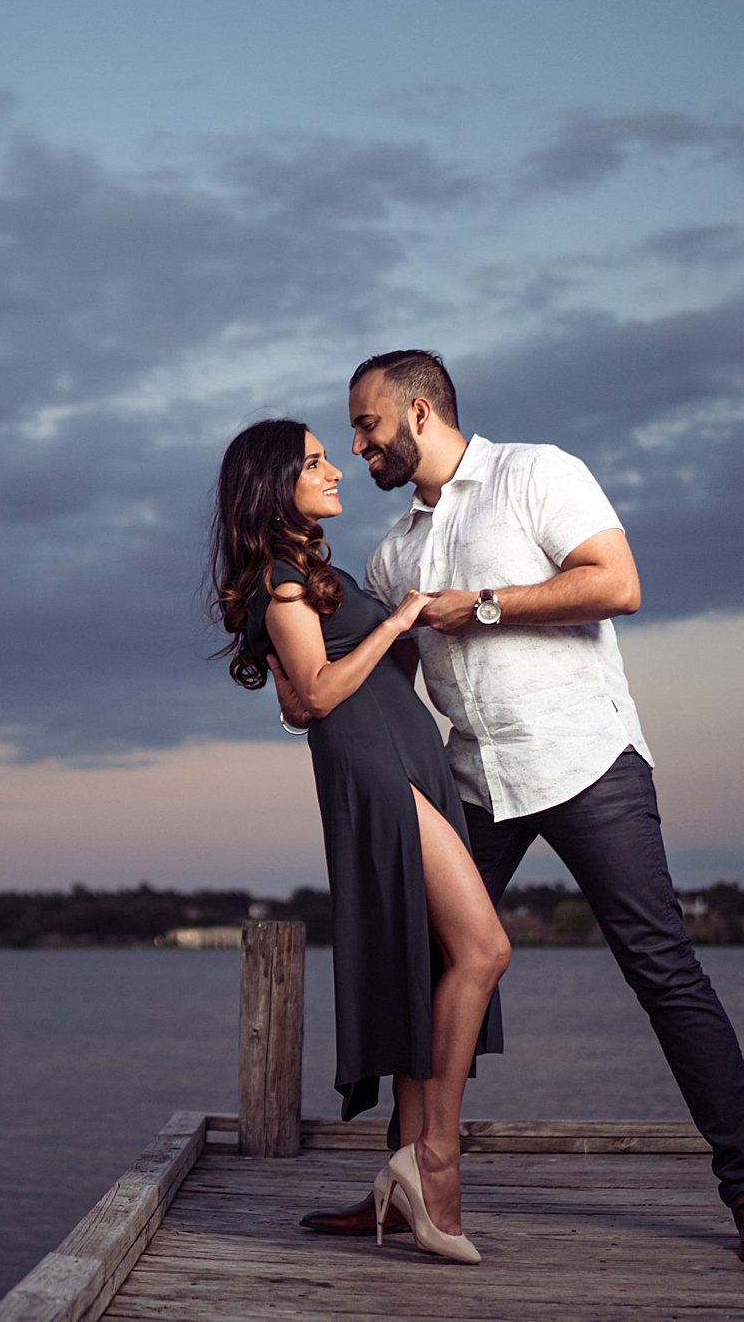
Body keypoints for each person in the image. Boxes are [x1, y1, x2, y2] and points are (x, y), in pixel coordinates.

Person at [279, 350, 744, 1269]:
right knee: (427, 963)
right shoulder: (388, 551)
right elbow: (384, 686)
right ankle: (410, 1186)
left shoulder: (537, 472)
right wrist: (303, 691)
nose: (356, 444)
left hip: (586, 762)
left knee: (661, 967)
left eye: (364, 424)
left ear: (418, 412)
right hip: (472, 783)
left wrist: (477, 606)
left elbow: (616, 583)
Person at [208, 417, 511, 1265]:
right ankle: (432, 1162)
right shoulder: (278, 579)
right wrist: (400, 620)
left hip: (405, 751)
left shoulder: (316, 570)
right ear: (276, 485)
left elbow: (327, 688)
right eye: (314, 462)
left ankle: (404, 1171)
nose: (335, 468)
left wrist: (398, 640)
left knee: (431, 961)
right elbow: (315, 690)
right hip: (374, 770)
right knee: (483, 949)